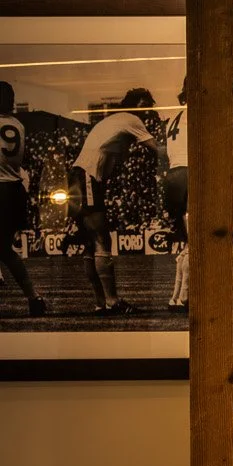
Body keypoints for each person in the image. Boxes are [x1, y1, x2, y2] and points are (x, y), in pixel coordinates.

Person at [71, 87, 161, 315]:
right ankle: (112, 302)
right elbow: (158, 150)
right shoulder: (132, 119)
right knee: (102, 240)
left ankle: (100, 303)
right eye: (145, 105)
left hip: (82, 175)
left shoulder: (116, 119)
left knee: (91, 243)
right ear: (136, 104)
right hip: (88, 176)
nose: (148, 111)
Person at [0, 82, 46, 316]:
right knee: (5, 250)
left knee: (4, 250)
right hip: (13, 189)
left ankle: (34, 297)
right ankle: (34, 298)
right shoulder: (18, 125)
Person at [162, 82, 189, 311]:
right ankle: (184, 297)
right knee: (195, 242)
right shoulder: (197, 114)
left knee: (187, 243)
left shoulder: (173, 118)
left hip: (172, 176)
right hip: (189, 173)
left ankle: (176, 297)